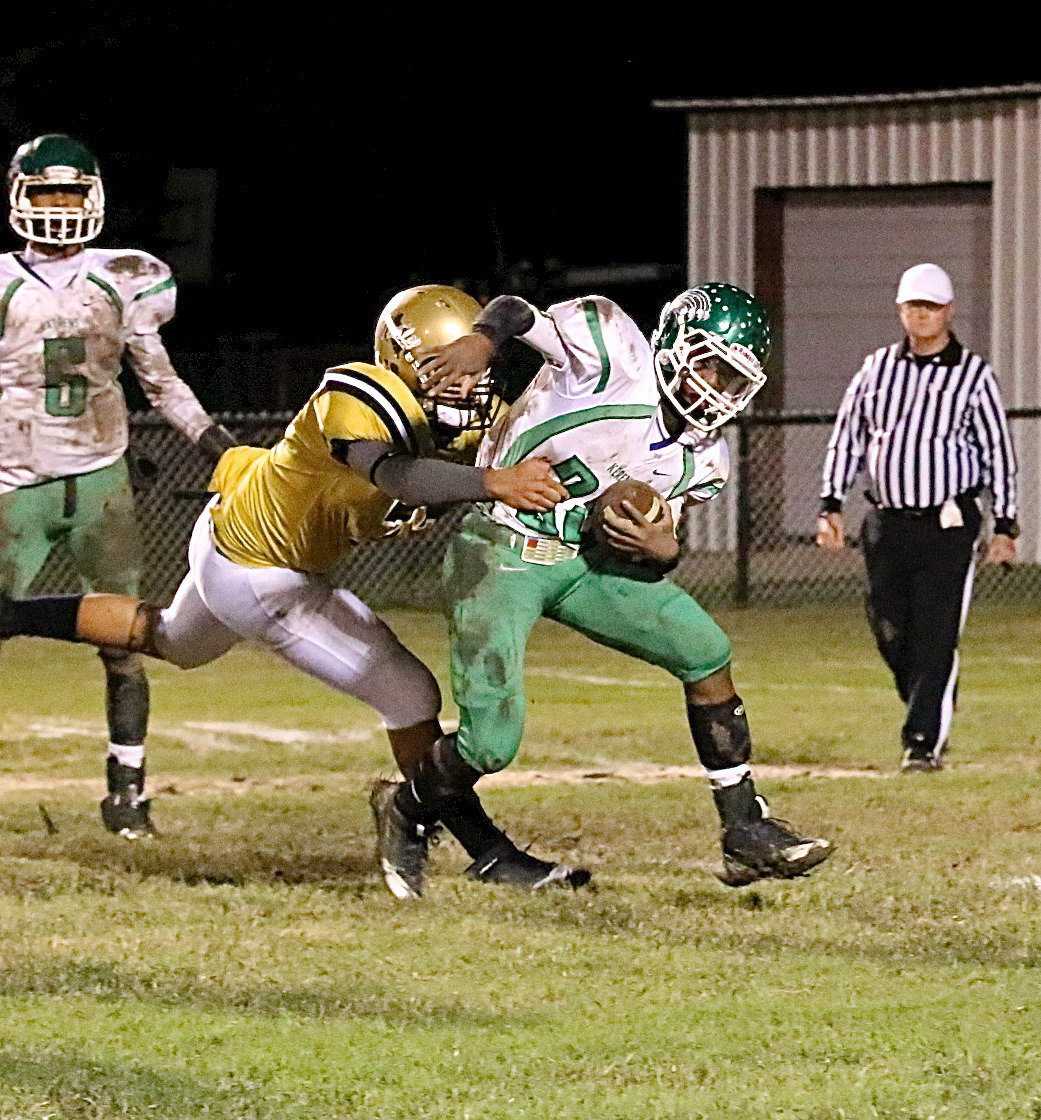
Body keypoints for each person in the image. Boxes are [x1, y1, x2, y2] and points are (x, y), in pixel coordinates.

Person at [1, 284, 579, 894]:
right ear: (405, 365)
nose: (468, 385)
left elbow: (517, 313)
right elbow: (397, 475)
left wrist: (488, 342)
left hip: (234, 530)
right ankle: (486, 851)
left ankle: (9, 617)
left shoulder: (472, 429)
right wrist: (491, 481)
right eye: (447, 367)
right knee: (410, 694)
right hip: (262, 570)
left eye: (476, 369)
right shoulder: (363, 392)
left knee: (173, 638)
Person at [370, 283, 834, 897]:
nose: (715, 392)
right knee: (491, 743)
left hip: (582, 559)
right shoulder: (612, 348)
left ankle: (744, 828)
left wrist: (665, 551)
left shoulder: (704, 459)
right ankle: (405, 808)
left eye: (732, 382)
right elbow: (515, 311)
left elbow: (652, 555)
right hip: (502, 545)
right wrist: (485, 341)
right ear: (675, 344)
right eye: (711, 368)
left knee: (705, 651)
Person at [0, 134, 237, 839]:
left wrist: (215, 444)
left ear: (95, 198)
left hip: (102, 480)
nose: (60, 209)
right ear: (19, 199)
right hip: (16, 483)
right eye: (47, 194)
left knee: (128, 638)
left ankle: (125, 795)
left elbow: (159, 380)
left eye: (71, 194)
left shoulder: (124, 277)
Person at [816, 263, 1018, 772]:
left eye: (930, 306)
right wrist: (831, 504)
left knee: (936, 630)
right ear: (900, 310)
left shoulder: (974, 375)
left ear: (948, 311)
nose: (921, 315)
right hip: (887, 520)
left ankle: (923, 740)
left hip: (948, 522)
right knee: (889, 627)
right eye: (913, 306)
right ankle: (934, 695)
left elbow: (998, 451)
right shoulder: (877, 368)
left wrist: (1006, 524)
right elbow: (849, 436)